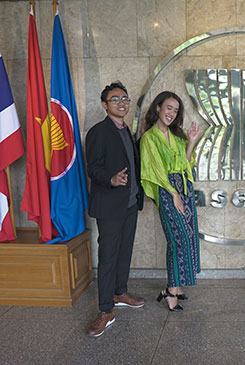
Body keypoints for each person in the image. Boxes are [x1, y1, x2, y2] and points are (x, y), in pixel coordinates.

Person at [86, 81, 145, 337]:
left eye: (125, 98)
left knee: (124, 251)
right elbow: (93, 168)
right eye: (115, 99)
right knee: (108, 257)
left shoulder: (126, 131)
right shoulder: (99, 131)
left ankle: (120, 292)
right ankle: (105, 310)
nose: (121, 103)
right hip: (110, 205)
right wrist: (111, 179)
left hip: (129, 203)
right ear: (104, 104)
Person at [140, 91, 201, 312]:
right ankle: (171, 290)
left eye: (176, 110)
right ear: (158, 108)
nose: (172, 113)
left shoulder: (177, 136)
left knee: (187, 237)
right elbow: (155, 171)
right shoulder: (149, 138)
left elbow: (184, 165)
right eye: (168, 108)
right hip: (168, 191)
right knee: (179, 240)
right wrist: (174, 194)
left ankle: (175, 286)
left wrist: (191, 142)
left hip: (184, 187)